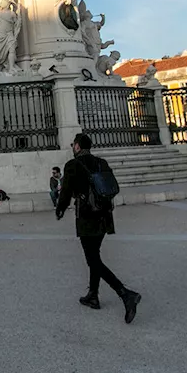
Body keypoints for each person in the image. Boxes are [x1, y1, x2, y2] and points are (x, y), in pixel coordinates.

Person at [54, 133, 141, 323]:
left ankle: (125, 294)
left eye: (73, 144)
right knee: (95, 254)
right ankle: (93, 295)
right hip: (105, 216)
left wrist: (60, 210)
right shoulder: (102, 163)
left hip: (87, 216)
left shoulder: (72, 165)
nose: (72, 147)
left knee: (92, 259)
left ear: (77, 146)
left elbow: (66, 192)